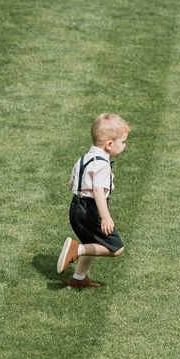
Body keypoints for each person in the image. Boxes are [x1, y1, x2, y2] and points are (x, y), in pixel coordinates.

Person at [57, 113, 131, 288]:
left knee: (93, 242)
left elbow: (72, 182)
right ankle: (77, 250)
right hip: (91, 210)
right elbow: (98, 191)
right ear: (109, 144)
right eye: (123, 142)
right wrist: (105, 217)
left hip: (76, 206)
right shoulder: (102, 165)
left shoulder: (85, 157)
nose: (125, 146)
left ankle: (78, 279)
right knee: (116, 248)